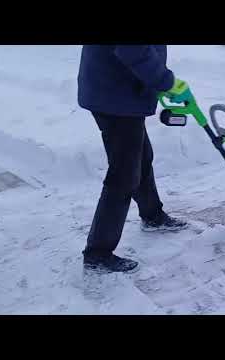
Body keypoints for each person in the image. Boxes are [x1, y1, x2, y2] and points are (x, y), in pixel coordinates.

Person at [77, 45, 193, 274]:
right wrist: (166, 81)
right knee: (124, 174)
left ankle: (152, 215)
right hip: (115, 96)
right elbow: (133, 50)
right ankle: (98, 254)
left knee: (140, 157)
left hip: (118, 90)